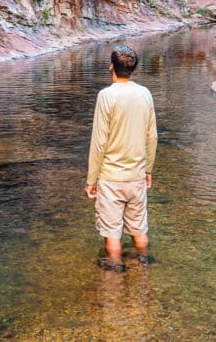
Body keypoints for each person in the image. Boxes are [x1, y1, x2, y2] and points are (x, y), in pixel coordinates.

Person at [84, 44, 158, 271]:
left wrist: (91, 180)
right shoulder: (145, 93)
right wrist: (148, 171)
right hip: (136, 176)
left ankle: (115, 276)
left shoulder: (106, 96)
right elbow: (152, 136)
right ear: (133, 69)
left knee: (112, 232)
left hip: (111, 178)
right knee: (139, 229)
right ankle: (144, 266)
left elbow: (99, 142)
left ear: (111, 67)